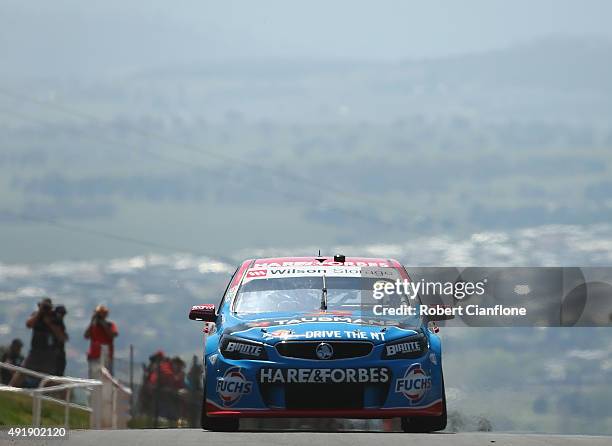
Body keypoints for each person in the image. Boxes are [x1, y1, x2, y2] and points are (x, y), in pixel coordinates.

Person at [9, 298, 67, 387]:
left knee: (49, 380)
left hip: (49, 355)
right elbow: (28, 324)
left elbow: (62, 337)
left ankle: (51, 396)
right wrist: (39, 313)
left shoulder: (55, 319)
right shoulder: (36, 316)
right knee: (22, 372)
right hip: (35, 352)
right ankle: (9, 389)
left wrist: (50, 323)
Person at [84, 305, 118, 377]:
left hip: (106, 356)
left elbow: (113, 335)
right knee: (94, 378)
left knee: (107, 377)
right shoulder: (93, 326)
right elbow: (86, 336)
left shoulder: (110, 325)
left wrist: (104, 324)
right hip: (94, 356)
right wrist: (91, 323)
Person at [53, 305, 69, 376]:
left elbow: (64, 337)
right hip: (53, 351)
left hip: (59, 351)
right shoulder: (53, 322)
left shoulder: (60, 323)